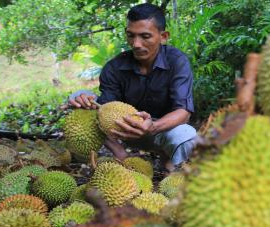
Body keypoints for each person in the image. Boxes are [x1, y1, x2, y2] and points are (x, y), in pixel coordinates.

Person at [68, 3, 196, 170]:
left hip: (163, 130)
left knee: (187, 135)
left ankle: (169, 162)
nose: (136, 44)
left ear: (163, 36)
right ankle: (122, 156)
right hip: (126, 131)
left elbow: (184, 112)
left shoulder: (177, 62)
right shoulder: (114, 67)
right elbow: (104, 109)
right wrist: (85, 101)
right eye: (131, 35)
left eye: (145, 36)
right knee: (78, 98)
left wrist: (153, 126)